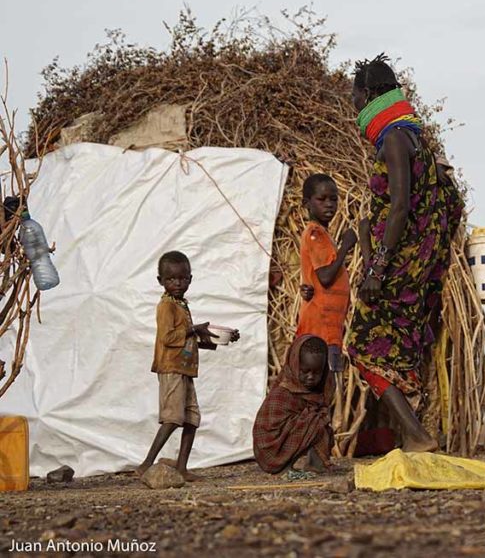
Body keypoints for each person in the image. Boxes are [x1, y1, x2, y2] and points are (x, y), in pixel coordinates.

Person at [346, 54, 464, 453]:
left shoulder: (395, 140)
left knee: (361, 347)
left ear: (368, 95)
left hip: (397, 271)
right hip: (414, 272)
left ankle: (416, 435)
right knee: (397, 352)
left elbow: (399, 207)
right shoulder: (416, 141)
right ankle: (412, 434)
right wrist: (367, 237)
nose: (353, 105)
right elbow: (451, 205)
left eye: (355, 96)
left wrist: (378, 268)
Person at [138, 251, 238, 480]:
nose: (177, 283)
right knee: (173, 418)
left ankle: (181, 467)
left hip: (184, 368)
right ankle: (146, 463)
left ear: (190, 279)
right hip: (171, 368)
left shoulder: (181, 305)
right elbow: (168, 338)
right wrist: (195, 329)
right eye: (171, 279)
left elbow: (186, 340)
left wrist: (219, 338)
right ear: (160, 281)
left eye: (182, 279)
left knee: (191, 419)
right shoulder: (166, 306)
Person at [296, 174, 356, 373]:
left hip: (329, 331)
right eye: (322, 200)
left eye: (333, 199)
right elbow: (326, 277)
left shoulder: (323, 235)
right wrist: (346, 246)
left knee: (326, 388)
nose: (329, 204)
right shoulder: (315, 234)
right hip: (318, 330)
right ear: (307, 203)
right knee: (320, 387)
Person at [253, 335, 335, 477]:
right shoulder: (282, 393)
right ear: (294, 364)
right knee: (316, 422)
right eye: (305, 371)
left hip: (289, 436)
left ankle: (315, 465)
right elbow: (269, 432)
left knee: (319, 423)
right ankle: (283, 467)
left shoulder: (316, 391)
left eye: (317, 372)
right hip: (269, 448)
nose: (311, 377)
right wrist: (314, 420)